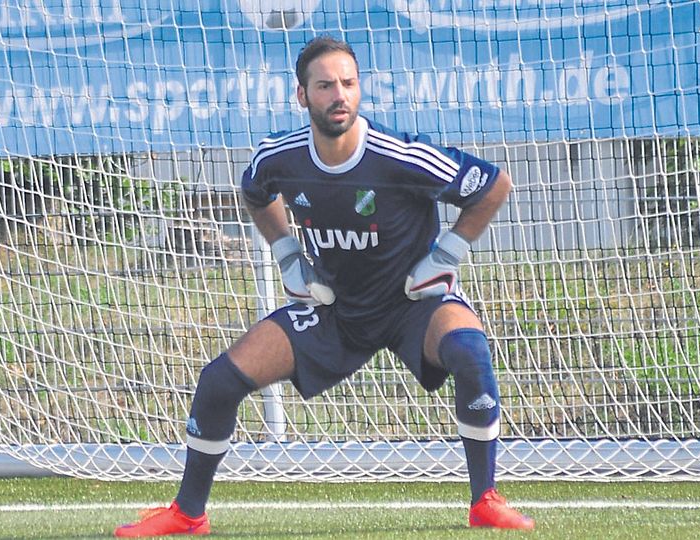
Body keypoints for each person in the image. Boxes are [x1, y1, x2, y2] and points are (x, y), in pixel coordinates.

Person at [114, 35, 535, 537]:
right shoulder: (280, 158)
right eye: (325, 85)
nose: (339, 95)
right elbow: (254, 192)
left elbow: (494, 186)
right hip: (337, 310)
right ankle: (188, 513)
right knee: (217, 382)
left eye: (349, 84)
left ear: (360, 90)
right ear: (302, 95)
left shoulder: (403, 157)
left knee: (469, 351)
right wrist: (286, 251)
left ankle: (484, 499)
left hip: (412, 303)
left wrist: (447, 254)